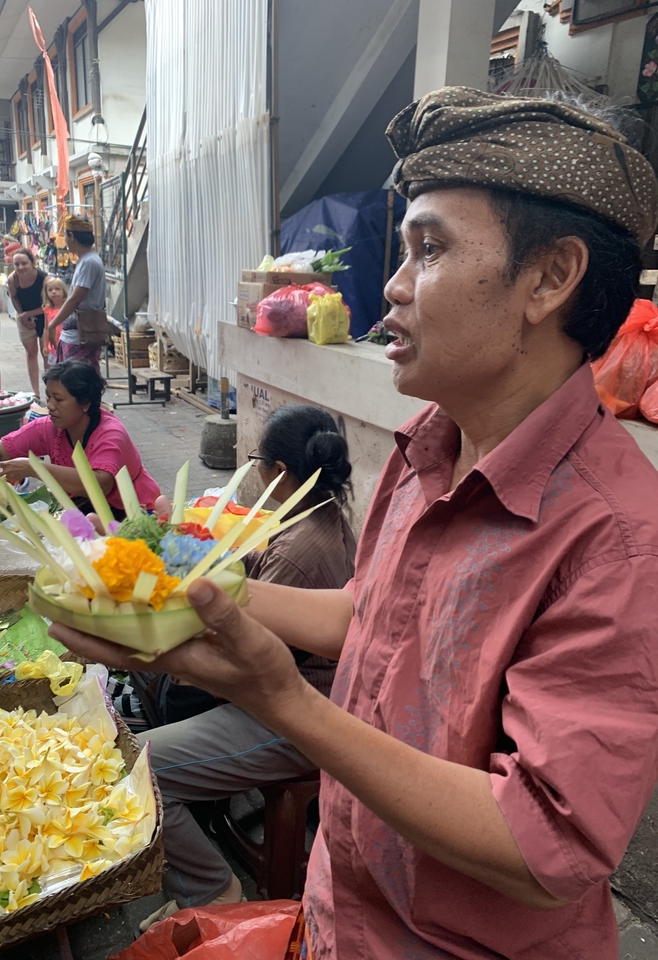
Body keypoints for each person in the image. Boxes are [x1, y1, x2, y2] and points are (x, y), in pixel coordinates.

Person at [50, 88, 658, 960]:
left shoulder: (620, 537)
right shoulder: (429, 449)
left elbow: (545, 849)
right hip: (344, 915)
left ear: (551, 278)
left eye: (430, 250)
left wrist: (283, 701)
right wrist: (185, 592)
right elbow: (369, 613)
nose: (393, 285)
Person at [136, 404, 356, 926]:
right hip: (285, 688)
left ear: (278, 471)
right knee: (150, 677)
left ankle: (213, 890)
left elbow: (255, 655)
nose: (252, 470)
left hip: (291, 711)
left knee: (141, 767)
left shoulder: (303, 545)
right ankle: (200, 812)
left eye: (256, 458)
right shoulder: (311, 512)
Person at [0, 360, 160, 519]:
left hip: (134, 513)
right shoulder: (49, 427)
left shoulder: (110, 434)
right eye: (48, 397)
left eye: (58, 400)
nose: (50, 406)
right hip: (85, 509)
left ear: (85, 403)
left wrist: (33, 468)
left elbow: (100, 484)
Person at [47, 215, 106, 372]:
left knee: (78, 382)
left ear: (71, 236)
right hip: (75, 335)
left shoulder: (89, 262)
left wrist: (52, 325)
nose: (64, 239)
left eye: (65, 235)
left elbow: (75, 299)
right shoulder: (86, 260)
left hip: (80, 337)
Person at [7, 248, 48, 400]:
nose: (20, 268)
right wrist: (22, 316)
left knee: (46, 354)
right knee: (31, 353)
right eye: (16, 264)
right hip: (24, 316)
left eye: (24, 263)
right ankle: (35, 393)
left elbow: (49, 304)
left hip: (44, 316)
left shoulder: (44, 279)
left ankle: (50, 390)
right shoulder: (13, 279)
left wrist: (29, 315)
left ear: (33, 263)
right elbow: (14, 297)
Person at [42, 276, 69, 366]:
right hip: (53, 346)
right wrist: (45, 345)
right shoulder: (47, 309)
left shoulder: (67, 307)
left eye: (57, 289)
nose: (53, 292)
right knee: (54, 367)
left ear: (64, 291)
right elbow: (46, 329)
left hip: (66, 343)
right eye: (50, 290)